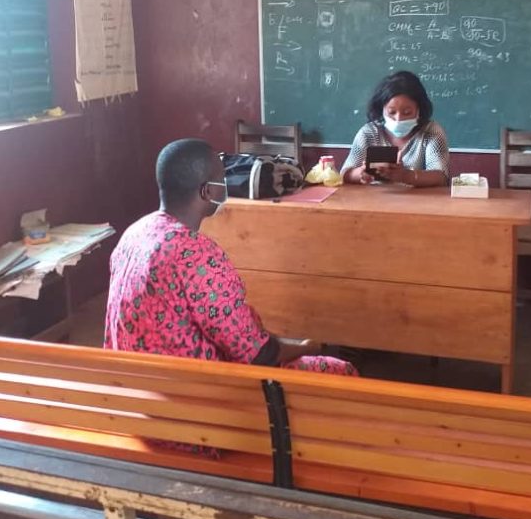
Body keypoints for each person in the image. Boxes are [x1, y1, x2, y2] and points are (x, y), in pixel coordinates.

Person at [105, 138, 357, 377]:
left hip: (134, 380)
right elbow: (258, 355)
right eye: (221, 179)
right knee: (341, 371)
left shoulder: (135, 232)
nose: (226, 185)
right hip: (193, 392)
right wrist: (306, 347)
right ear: (206, 191)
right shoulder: (194, 253)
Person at [341, 70, 449, 188]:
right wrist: (361, 173)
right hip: (374, 203)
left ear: (419, 110)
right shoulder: (369, 132)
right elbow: (345, 174)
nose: (399, 119)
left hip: (419, 204)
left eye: (407, 113)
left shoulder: (431, 132)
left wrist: (405, 176)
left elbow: (441, 177)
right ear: (381, 109)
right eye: (391, 112)